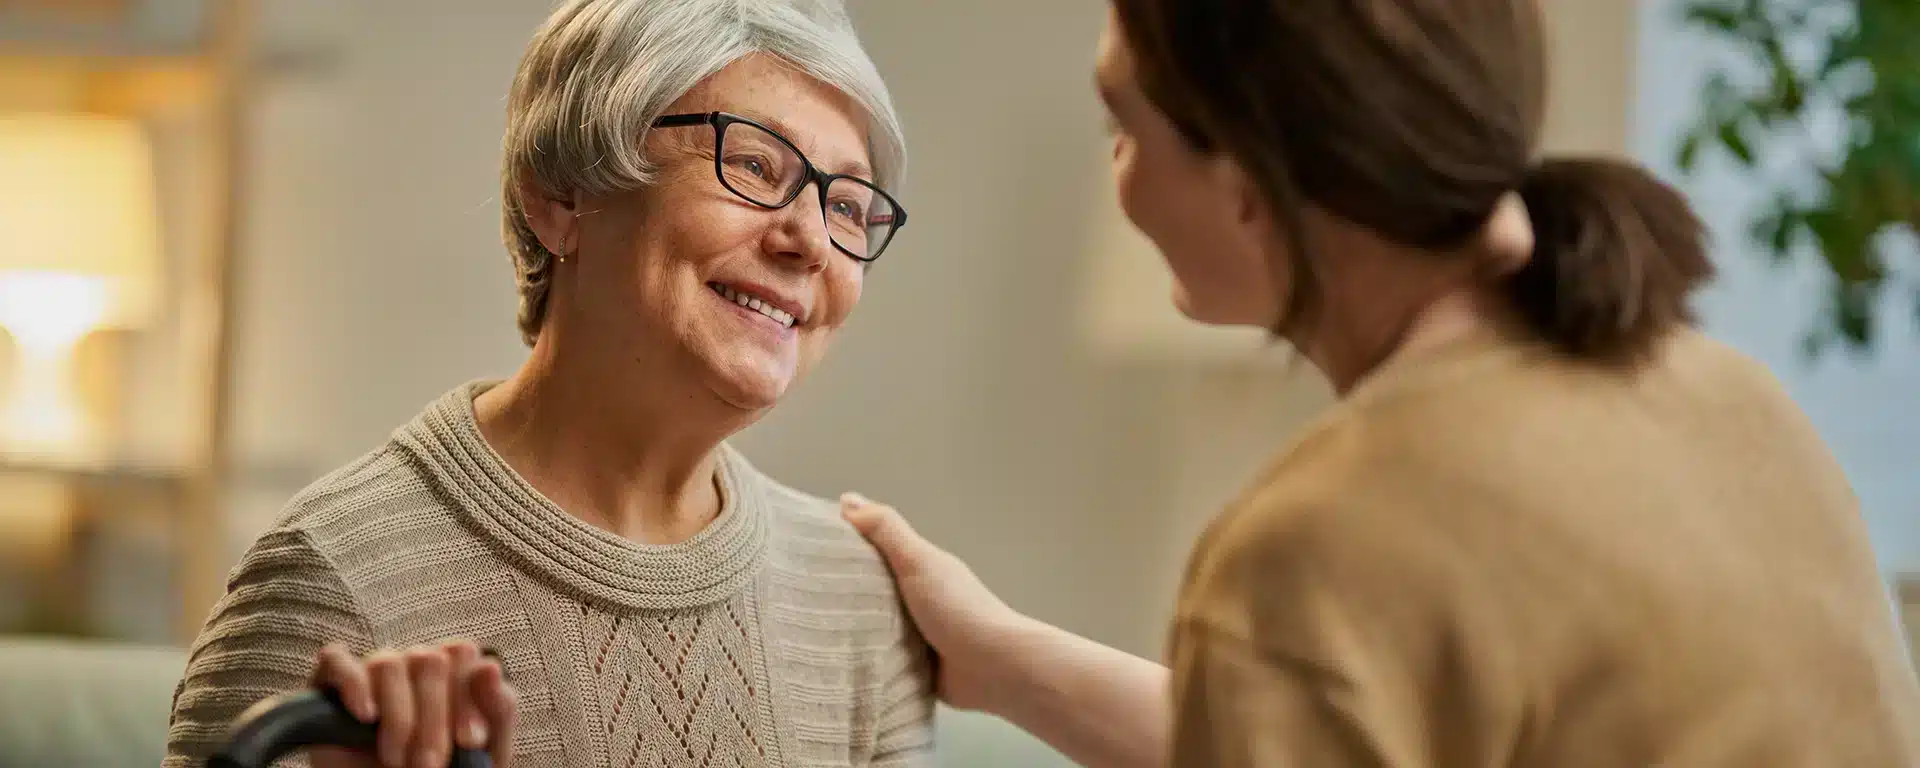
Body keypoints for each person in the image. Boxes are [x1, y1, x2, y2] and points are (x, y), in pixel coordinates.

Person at [841, 2, 1920, 766]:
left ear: (1251, 181)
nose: (1119, 175)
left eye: (1126, 127)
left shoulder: (1320, 545)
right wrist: (1006, 664)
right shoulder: (1730, 395)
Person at [164, 1, 935, 766]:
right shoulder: (329, 579)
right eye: (755, 165)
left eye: (847, 207)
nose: (808, 241)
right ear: (561, 197)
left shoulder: (857, 601)